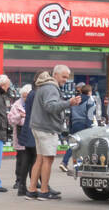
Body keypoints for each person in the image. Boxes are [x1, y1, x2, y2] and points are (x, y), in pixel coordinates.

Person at [28, 65, 80, 200]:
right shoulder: (51, 88)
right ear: (55, 75)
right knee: (48, 160)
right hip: (47, 128)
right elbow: (50, 107)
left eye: (67, 77)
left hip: (38, 127)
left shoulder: (43, 86)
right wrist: (68, 102)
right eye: (63, 77)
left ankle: (32, 190)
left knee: (39, 159)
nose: (65, 80)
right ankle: (44, 191)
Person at [60, 83, 98, 172]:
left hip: (75, 124)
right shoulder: (90, 101)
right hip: (84, 124)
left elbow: (71, 115)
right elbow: (90, 116)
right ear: (89, 92)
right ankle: (85, 165)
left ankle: (65, 162)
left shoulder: (76, 99)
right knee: (87, 145)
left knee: (73, 144)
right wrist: (89, 128)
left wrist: (70, 127)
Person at [8, 83, 37, 196]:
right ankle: (19, 181)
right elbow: (11, 120)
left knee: (33, 160)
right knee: (21, 159)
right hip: (21, 135)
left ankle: (33, 181)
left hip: (32, 135)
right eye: (23, 96)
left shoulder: (34, 103)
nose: (25, 98)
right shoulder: (17, 104)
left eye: (26, 96)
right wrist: (20, 117)